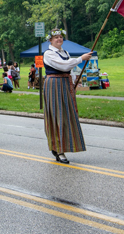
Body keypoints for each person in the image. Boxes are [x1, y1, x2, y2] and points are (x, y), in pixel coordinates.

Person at [43, 28, 93, 164]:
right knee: (58, 116)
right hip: (54, 84)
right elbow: (64, 66)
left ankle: (64, 145)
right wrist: (81, 59)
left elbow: (68, 68)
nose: (59, 39)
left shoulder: (65, 52)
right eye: (56, 38)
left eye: (60, 37)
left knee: (67, 115)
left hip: (65, 83)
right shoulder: (48, 53)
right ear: (50, 40)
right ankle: (59, 149)